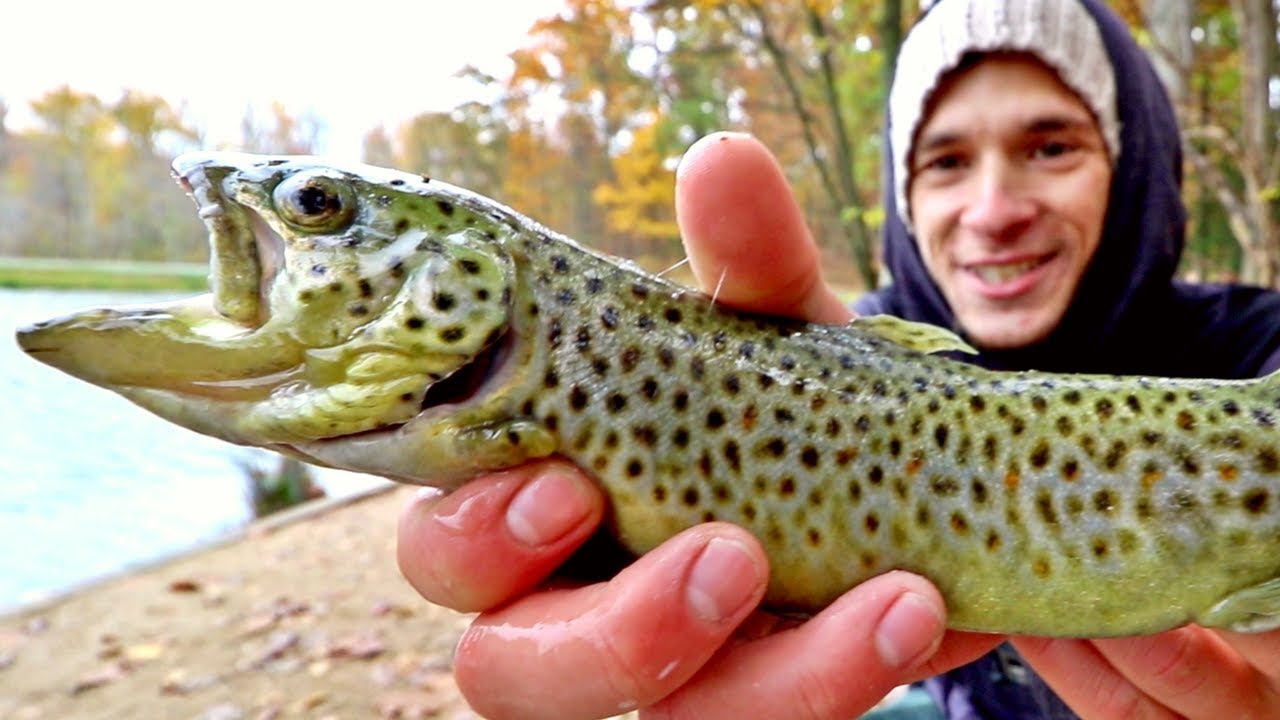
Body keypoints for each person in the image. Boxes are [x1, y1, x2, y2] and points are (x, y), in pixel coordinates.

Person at [396, 0, 1280, 717]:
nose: (994, 206)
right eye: (945, 160)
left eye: (1050, 147)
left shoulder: (1256, 350)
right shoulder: (817, 357)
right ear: (903, 198)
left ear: (1136, 171)